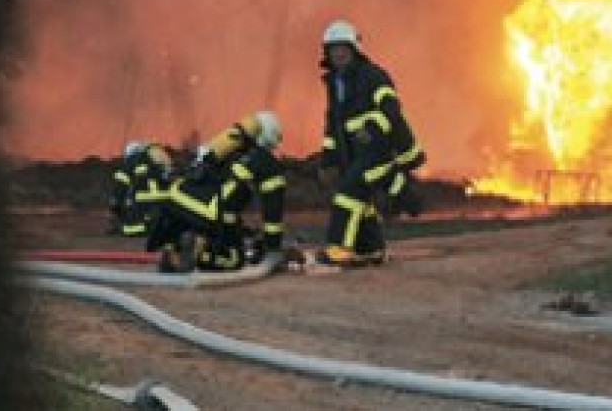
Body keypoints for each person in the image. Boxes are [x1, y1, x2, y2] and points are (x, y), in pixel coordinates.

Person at [316, 19, 426, 267]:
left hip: (377, 150)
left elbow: (391, 109)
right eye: (333, 49)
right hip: (352, 153)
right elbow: (333, 126)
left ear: (354, 49)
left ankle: (338, 249)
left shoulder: (373, 76)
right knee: (361, 199)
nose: (339, 54)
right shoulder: (334, 83)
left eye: (343, 48)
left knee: (347, 193)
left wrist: (373, 129)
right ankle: (370, 248)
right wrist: (327, 160)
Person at [147, 110, 286, 272]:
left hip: (177, 198)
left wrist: (243, 232)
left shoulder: (224, 149)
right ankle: (196, 253)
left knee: (209, 229)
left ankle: (173, 252)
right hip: (211, 208)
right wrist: (273, 248)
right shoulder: (268, 163)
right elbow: (273, 213)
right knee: (234, 260)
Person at [109, 140, 173, 237]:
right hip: (166, 206)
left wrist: (116, 206)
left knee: (130, 229)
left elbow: (120, 189)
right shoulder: (161, 159)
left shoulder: (131, 162)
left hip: (144, 207)